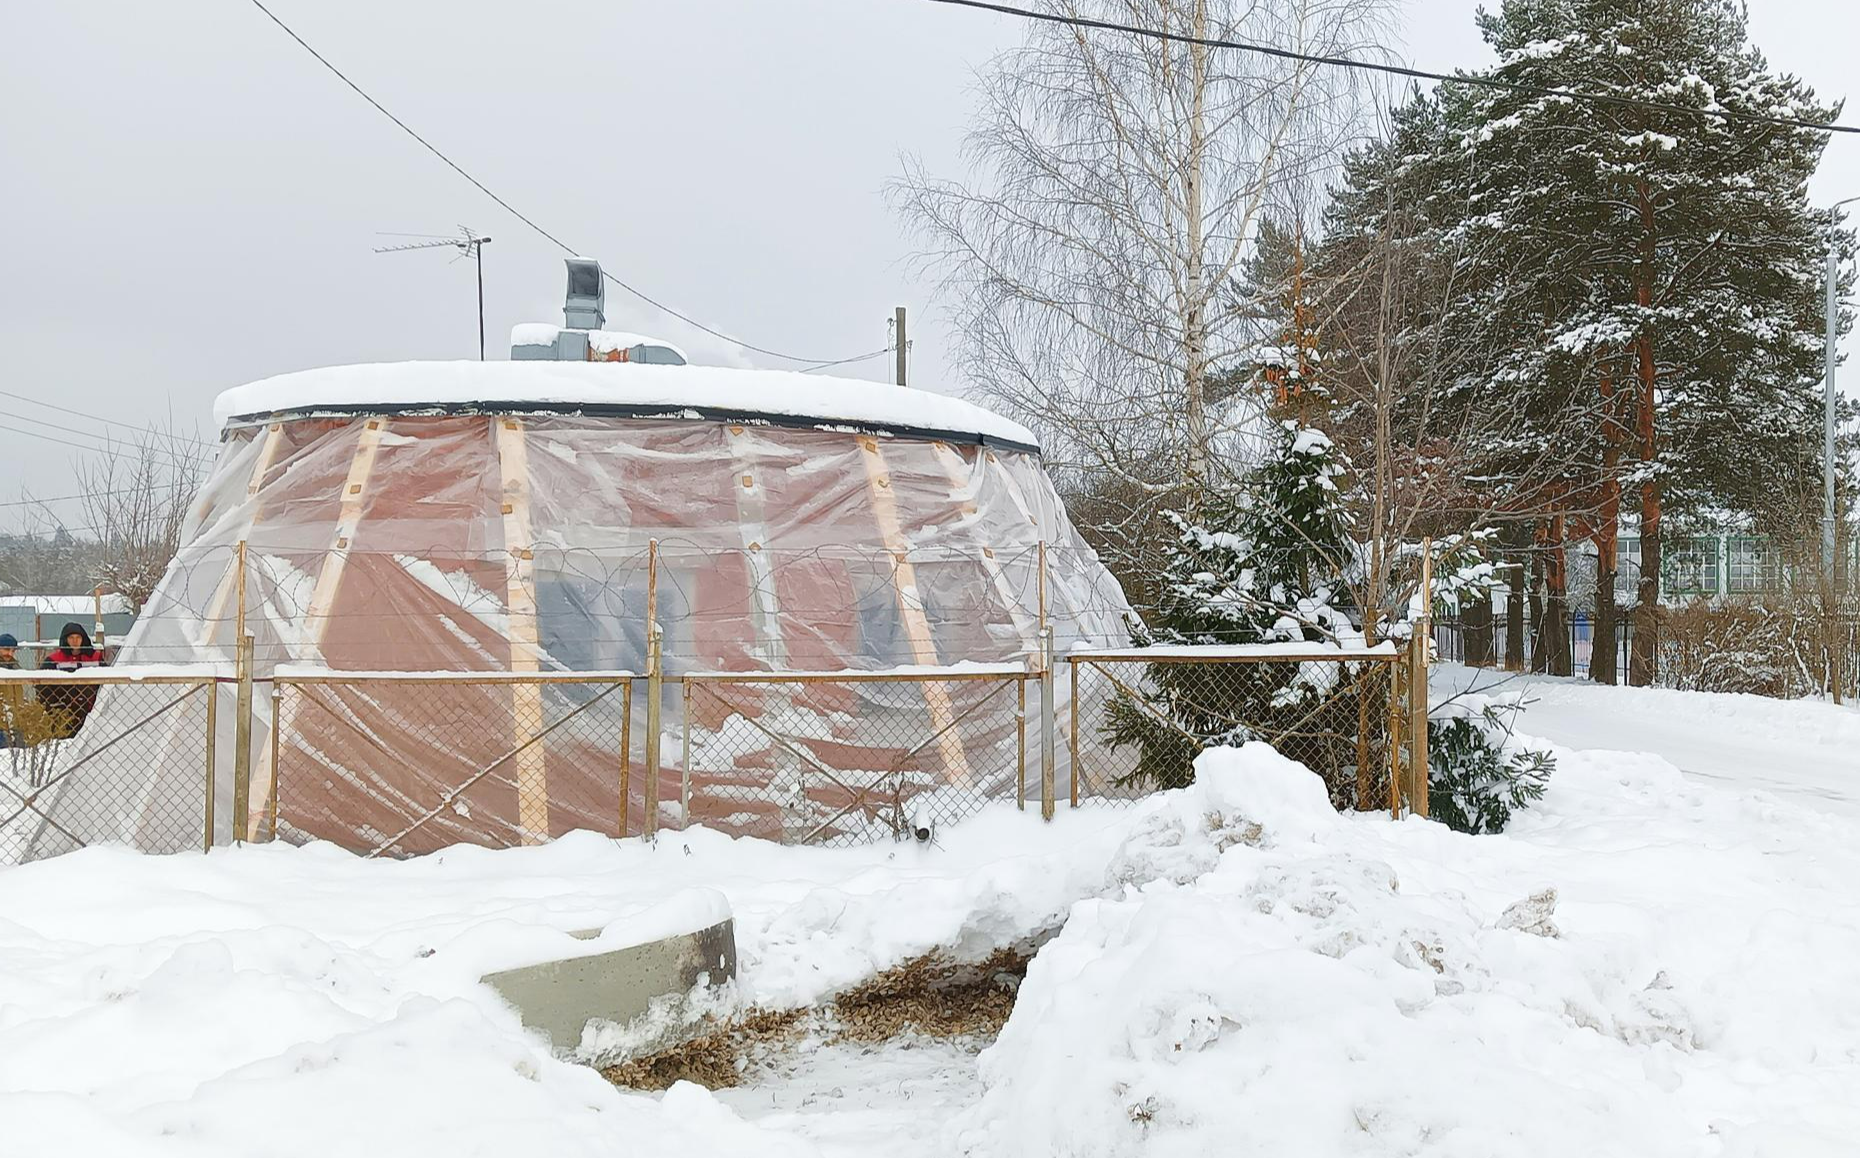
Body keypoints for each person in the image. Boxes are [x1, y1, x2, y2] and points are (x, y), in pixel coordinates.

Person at [39, 622, 105, 738]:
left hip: (91, 711)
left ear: (83, 639)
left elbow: (106, 682)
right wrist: (54, 707)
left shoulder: (95, 657)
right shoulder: (54, 660)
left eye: (78, 637)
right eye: (71, 638)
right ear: (66, 639)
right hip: (64, 713)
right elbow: (42, 686)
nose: (75, 641)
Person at [0, 633, 19, 748]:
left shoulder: (15, 666)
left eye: (13, 650)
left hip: (16, 719)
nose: (10, 653)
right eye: (7, 649)